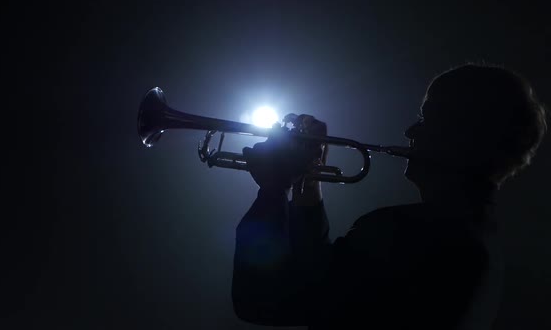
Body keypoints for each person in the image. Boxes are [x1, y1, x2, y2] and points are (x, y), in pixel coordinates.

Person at [232, 63, 547, 329]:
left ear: (466, 135)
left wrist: (273, 189)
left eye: (428, 118)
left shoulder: (409, 235)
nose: (410, 131)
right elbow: (317, 271)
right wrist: (309, 180)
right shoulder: (477, 240)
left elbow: (260, 301)